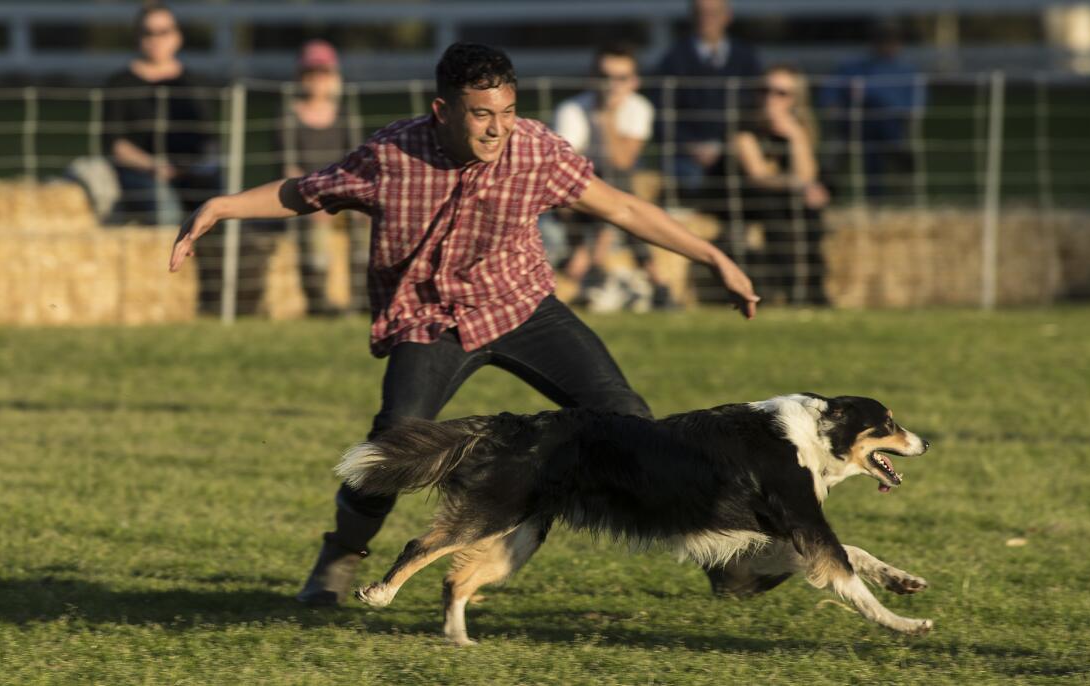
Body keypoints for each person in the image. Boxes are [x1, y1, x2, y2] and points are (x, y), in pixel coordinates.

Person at [168, 43, 760, 606]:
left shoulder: (537, 151)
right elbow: (306, 191)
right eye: (481, 115)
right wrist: (220, 207)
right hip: (430, 321)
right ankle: (341, 553)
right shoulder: (391, 156)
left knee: (630, 420)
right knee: (393, 441)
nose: (497, 128)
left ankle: (720, 556)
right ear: (443, 111)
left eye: (506, 112)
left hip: (521, 306)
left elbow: (625, 208)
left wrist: (712, 256)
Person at [105, 2, 221, 307]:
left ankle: (214, 294)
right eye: (148, 32)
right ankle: (170, 297)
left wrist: (197, 166)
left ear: (177, 37)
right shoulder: (121, 84)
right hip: (141, 172)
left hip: (191, 170)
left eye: (163, 31)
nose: (156, 38)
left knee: (218, 208)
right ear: (137, 38)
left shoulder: (192, 83)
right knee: (166, 210)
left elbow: (209, 139)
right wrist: (156, 167)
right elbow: (114, 144)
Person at [553, 44, 674, 310]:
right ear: (592, 77)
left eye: (620, 78)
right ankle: (658, 282)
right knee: (620, 195)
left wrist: (605, 118)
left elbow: (622, 159)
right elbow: (566, 170)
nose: (612, 85)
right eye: (605, 77)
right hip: (576, 198)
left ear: (634, 81)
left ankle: (591, 260)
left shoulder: (638, 108)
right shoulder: (571, 110)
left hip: (609, 197)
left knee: (617, 184)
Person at [732, 65, 830, 305]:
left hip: (791, 204)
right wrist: (801, 186)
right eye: (764, 90)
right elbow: (758, 176)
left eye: (781, 93)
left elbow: (808, 173)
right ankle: (797, 293)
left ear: (796, 99)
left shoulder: (800, 130)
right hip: (749, 201)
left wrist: (795, 135)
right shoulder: (745, 129)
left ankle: (811, 289)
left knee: (807, 214)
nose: (770, 99)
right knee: (782, 211)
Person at [277, 40, 361, 315]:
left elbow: (356, 161)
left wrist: (343, 197)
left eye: (324, 73)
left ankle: (361, 297)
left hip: (342, 192)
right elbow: (288, 167)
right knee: (315, 231)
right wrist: (316, 199)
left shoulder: (346, 117)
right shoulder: (288, 118)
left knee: (366, 222)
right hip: (306, 194)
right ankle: (319, 300)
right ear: (301, 77)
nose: (318, 81)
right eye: (311, 74)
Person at [654, 0, 762, 206]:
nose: (707, 19)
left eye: (713, 13)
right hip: (686, 153)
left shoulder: (745, 57)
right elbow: (661, 112)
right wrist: (690, 145)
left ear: (727, 16)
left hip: (735, 147)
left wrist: (727, 142)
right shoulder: (674, 59)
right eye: (701, 13)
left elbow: (754, 107)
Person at [817, 19, 924, 203]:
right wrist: (833, 106)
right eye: (882, 40)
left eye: (892, 40)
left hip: (891, 124)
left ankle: (880, 195)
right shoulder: (853, 67)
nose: (887, 45)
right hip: (854, 123)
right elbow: (830, 91)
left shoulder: (907, 71)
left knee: (879, 135)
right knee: (869, 141)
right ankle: (869, 196)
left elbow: (915, 105)